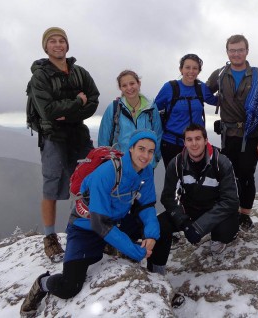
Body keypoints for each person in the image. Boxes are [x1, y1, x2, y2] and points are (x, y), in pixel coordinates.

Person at [20, 130, 160, 317]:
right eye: (141, 149)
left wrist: (151, 234)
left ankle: (114, 248)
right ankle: (42, 284)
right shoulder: (107, 173)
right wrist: (135, 250)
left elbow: (147, 204)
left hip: (116, 221)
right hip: (86, 227)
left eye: (150, 151)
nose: (145, 156)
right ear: (131, 148)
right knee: (70, 286)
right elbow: (99, 224)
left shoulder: (146, 171)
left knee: (162, 228)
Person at [29, 26, 100, 263]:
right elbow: (47, 111)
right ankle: (50, 238)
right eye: (53, 41)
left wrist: (68, 111)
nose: (58, 45)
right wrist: (76, 103)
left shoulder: (79, 72)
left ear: (67, 45)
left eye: (62, 41)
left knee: (87, 181)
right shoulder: (40, 76)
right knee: (51, 184)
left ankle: (82, 230)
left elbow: (93, 100)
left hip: (78, 134)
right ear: (46, 47)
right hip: (53, 137)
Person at [146, 124, 239, 275]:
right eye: (189, 139)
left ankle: (217, 239)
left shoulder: (221, 162)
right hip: (190, 209)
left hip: (215, 211)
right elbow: (168, 197)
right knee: (161, 225)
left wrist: (200, 227)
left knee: (227, 229)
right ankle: (157, 271)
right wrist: (184, 223)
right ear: (184, 143)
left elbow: (231, 201)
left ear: (206, 140)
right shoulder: (177, 164)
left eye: (198, 138)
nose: (194, 144)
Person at [206, 34, 258, 231]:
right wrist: (219, 102)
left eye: (240, 50)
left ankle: (245, 215)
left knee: (247, 175)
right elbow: (206, 93)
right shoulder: (220, 74)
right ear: (227, 52)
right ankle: (230, 211)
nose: (236, 54)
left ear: (247, 51)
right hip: (228, 135)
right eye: (232, 50)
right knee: (227, 174)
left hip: (251, 134)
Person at [154, 54, 217, 168]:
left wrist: (233, 92)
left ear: (199, 71)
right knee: (174, 179)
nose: (191, 71)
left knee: (196, 180)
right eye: (187, 67)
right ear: (181, 69)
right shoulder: (169, 87)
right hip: (171, 143)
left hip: (195, 144)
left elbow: (215, 101)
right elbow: (153, 109)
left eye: (195, 68)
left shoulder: (201, 87)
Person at [97, 70, 163, 167]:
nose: (129, 88)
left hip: (145, 164)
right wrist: (106, 162)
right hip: (120, 165)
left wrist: (155, 159)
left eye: (132, 83)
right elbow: (104, 138)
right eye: (124, 85)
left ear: (139, 83)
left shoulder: (151, 107)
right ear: (120, 88)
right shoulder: (114, 108)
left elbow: (158, 134)